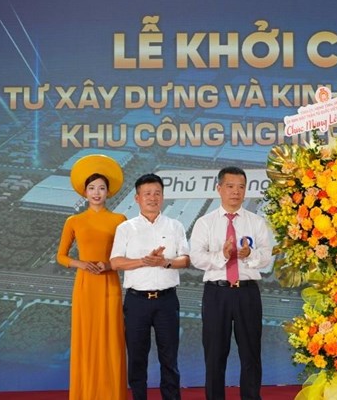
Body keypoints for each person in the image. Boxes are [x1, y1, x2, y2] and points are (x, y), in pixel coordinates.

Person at [190, 166, 275, 400]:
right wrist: (223, 255)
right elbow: (197, 258)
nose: (235, 192)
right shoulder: (205, 223)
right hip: (217, 294)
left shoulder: (256, 222)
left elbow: (266, 257)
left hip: (247, 293)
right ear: (219, 188)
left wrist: (249, 255)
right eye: (230, 186)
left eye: (240, 187)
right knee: (215, 354)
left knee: (251, 353)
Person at [110, 173, 190, 400]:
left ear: (163, 197)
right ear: (137, 198)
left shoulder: (175, 226)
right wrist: (144, 261)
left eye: (157, 193)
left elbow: (185, 260)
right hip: (137, 302)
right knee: (137, 357)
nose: (152, 198)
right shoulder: (126, 228)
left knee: (169, 357)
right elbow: (115, 262)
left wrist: (165, 262)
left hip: (167, 301)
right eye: (147, 194)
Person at [57, 154, 128, 400]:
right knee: (86, 338)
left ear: (108, 192)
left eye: (101, 188)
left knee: (111, 339)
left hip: (109, 284)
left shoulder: (119, 220)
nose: (96, 193)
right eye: (92, 188)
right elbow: (61, 256)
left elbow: (125, 256)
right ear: (84, 192)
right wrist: (81, 264)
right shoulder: (74, 221)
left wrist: (107, 265)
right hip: (85, 285)